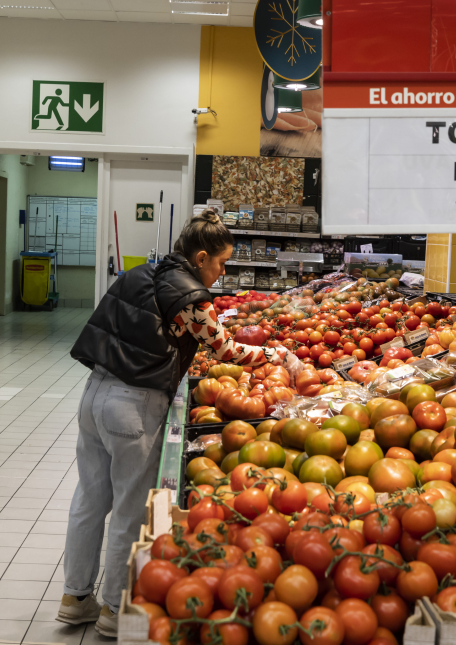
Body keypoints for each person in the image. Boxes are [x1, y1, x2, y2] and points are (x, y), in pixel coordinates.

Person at [62, 210, 302, 636]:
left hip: (94, 394)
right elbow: (225, 348)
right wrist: (275, 356)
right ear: (202, 256)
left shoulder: (140, 274)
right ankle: (114, 610)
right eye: (222, 263)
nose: (223, 271)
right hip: (132, 405)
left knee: (89, 498)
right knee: (131, 509)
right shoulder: (190, 295)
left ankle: (75, 597)